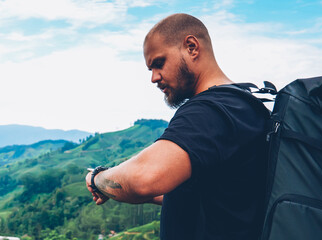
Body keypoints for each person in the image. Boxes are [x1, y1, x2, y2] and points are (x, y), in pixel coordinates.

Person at [86, 13, 268, 240]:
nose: (153, 78)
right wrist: (117, 189)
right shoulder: (242, 104)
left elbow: (145, 178)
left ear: (192, 47)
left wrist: (97, 179)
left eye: (159, 63)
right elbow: (210, 193)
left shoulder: (208, 111)